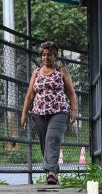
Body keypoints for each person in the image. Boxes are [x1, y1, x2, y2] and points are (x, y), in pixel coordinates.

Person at [21, 41, 78, 185]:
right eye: (44, 55)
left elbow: (71, 93)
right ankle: (54, 172)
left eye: (50, 55)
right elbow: (30, 95)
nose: (46, 57)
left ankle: (51, 173)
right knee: (44, 143)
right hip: (38, 112)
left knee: (52, 138)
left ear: (55, 56)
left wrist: (74, 110)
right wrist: (24, 114)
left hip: (59, 111)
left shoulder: (62, 71)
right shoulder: (36, 73)